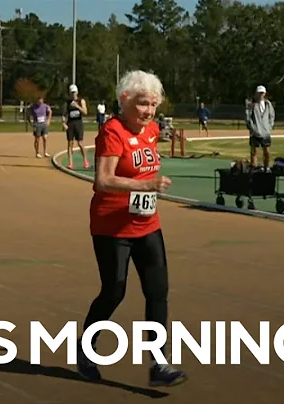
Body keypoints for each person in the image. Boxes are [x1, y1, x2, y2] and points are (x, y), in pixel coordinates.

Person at [76, 70, 188, 387]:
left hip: (147, 223)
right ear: (125, 100)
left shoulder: (151, 130)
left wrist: (147, 187)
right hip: (112, 225)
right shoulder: (112, 131)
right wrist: (146, 183)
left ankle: (159, 363)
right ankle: (86, 348)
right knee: (114, 291)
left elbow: (144, 158)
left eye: (153, 105)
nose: (149, 112)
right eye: (142, 104)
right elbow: (103, 179)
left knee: (157, 291)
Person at [246, 85, 275, 172]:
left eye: (262, 93)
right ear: (256, 94)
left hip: (266, 132)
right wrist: (252, 128)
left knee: (267, 152)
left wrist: (269, 127)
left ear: (265, 94)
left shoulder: (268, 104)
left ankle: (267, 168)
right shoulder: (251, 104)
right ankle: (254, 169)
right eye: (259, 93)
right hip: (255, 132)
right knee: (254, 152)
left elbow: (272, 116)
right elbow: (248, 117)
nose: (261, 95)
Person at [63, 84, 89, 169]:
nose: (73, 94)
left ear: (77, 92)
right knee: (70, 143)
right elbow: (64, 114)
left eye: (74, 92)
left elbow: (85, 112)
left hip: (78, 123)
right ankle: (70, 163)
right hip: (70, 123)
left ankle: (85, 160)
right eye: (71, 92)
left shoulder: (81, 101)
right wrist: (64, 123)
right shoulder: (67, 103)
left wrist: (78, 106)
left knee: (80, 143)